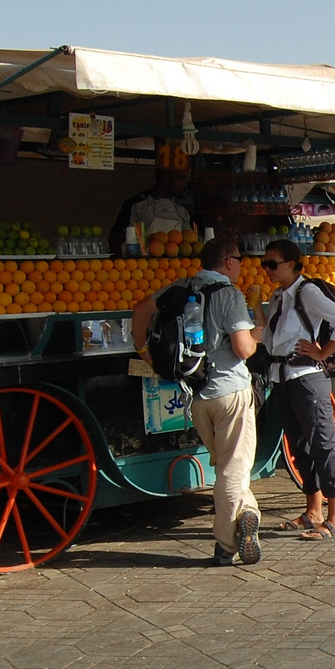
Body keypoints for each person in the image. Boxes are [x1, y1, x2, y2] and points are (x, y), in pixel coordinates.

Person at [131, 236, 263, 567]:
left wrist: (144, 352)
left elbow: (140, 310)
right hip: (230, 392)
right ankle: (224, 544)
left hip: (195, 396)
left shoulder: (183, 286)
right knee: (234, 470)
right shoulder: (229, 295)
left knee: (225, 466)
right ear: (230, 262)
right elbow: (243, 349)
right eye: (240, 261)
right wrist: (259, 332)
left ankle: (249, 512)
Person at [260, 238, 335, 541]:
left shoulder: (307, 292)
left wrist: (322, 352)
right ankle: (313, 511)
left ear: (291, 263)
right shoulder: (278, 296)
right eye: (265, 264)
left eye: (272, 264)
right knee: (300, 446)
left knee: (323, 443)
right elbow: (269, 337)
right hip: (282, 376)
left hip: (306, 376)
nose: (267, 270)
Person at [109, 169, 192, 256]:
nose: (185, 184)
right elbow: (116, 238)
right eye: (181, 178)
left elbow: (189, 243)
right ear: (165, 177)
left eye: (187, 179)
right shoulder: (138, 206)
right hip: (141, 266)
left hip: (173, 267)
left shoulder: (182, 212)